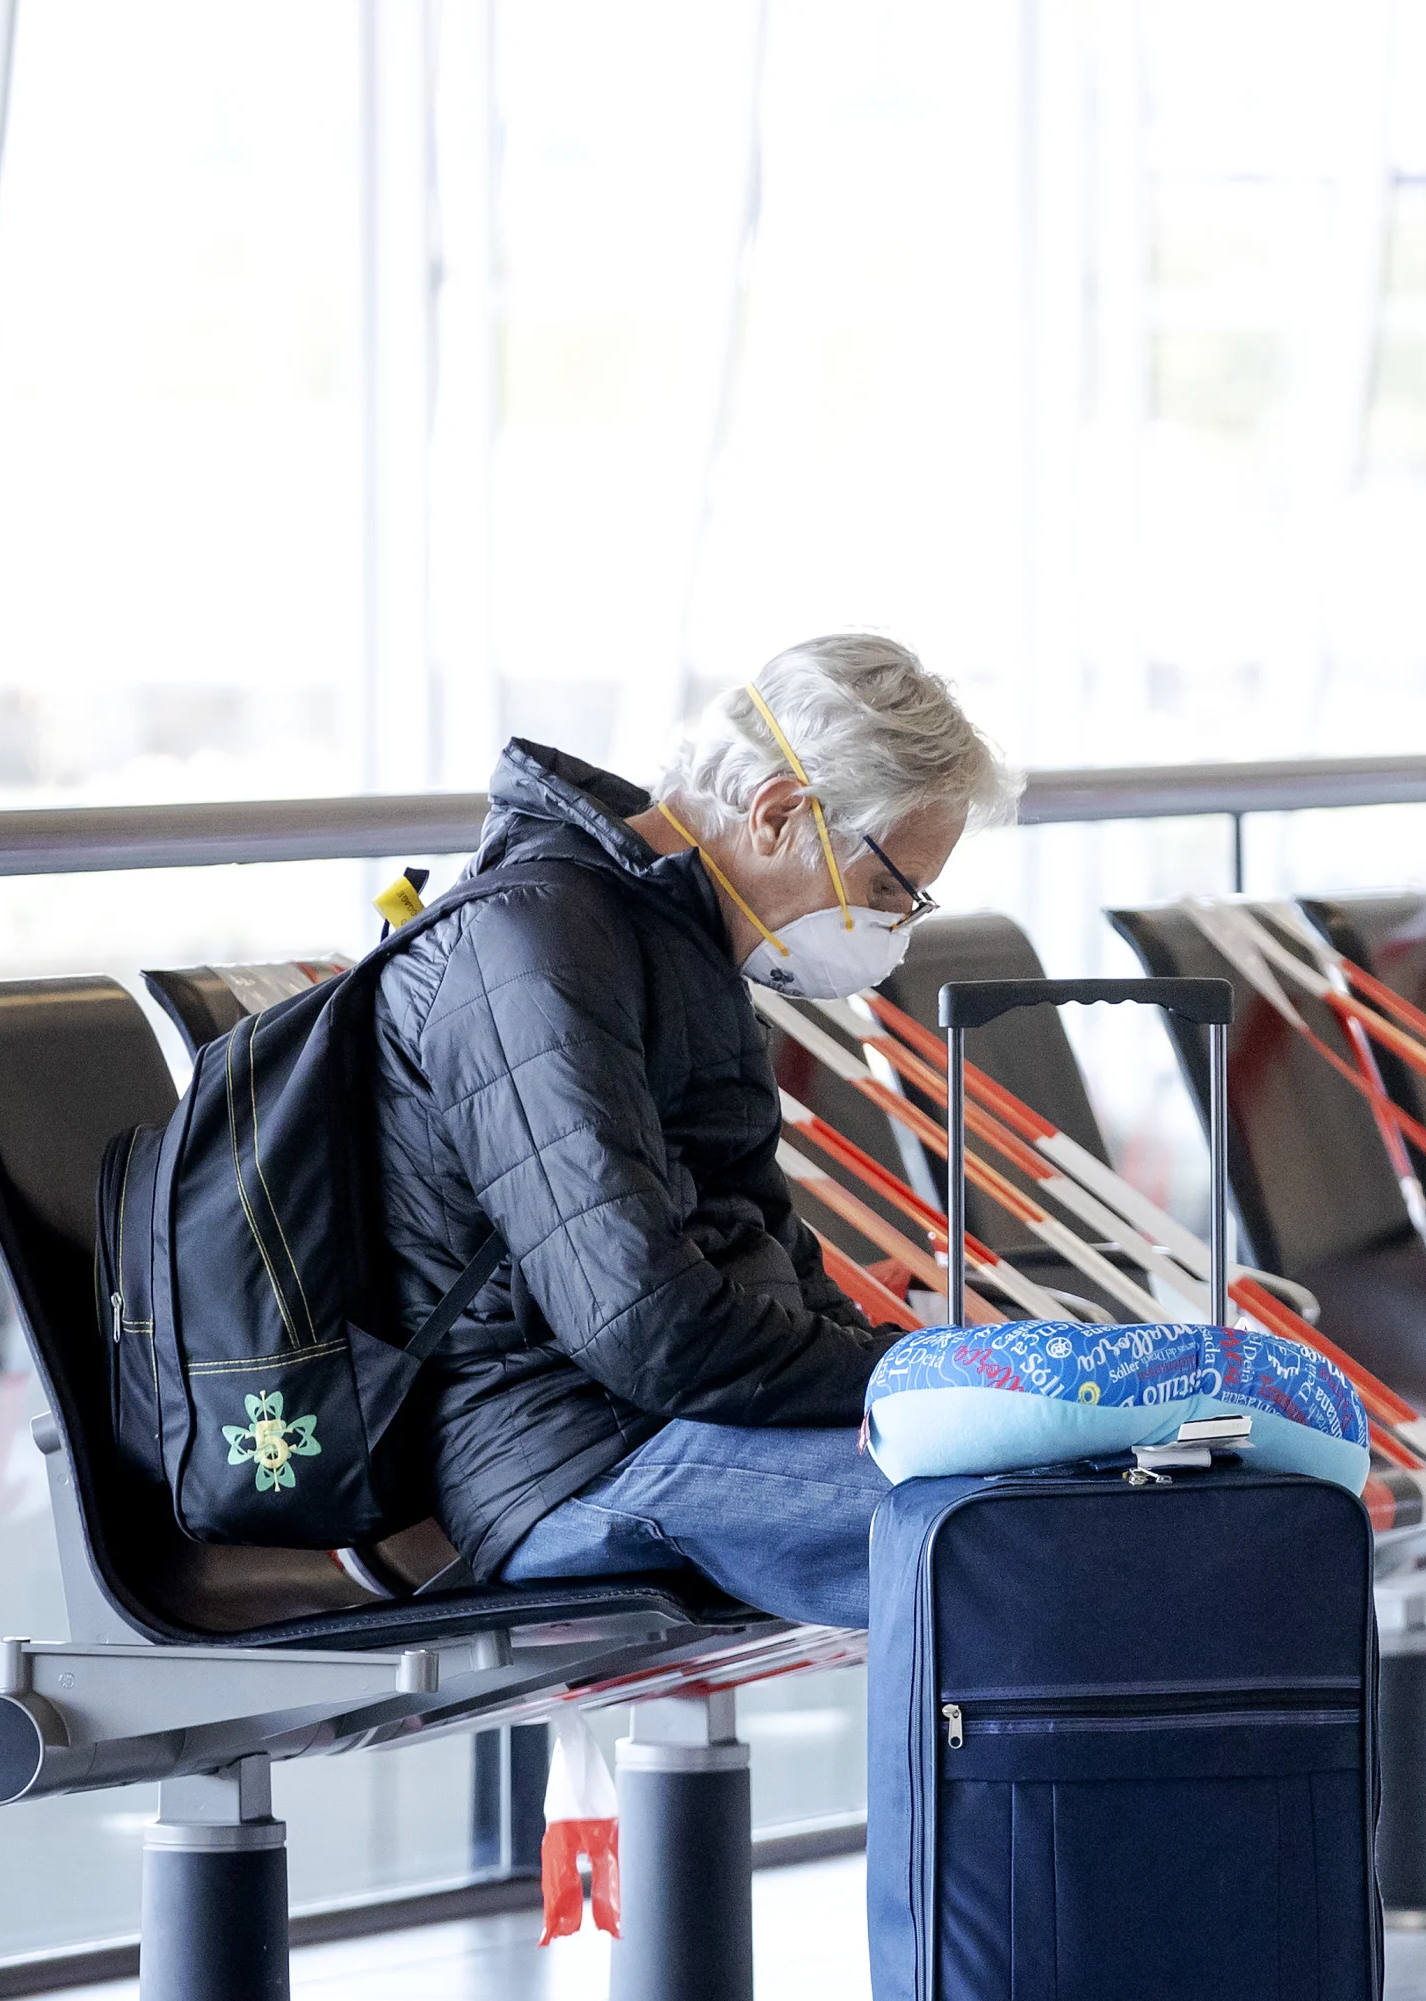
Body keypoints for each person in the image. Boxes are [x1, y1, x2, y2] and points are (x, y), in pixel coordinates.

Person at [373, 633, 1017, 1629]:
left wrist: (930, 1376)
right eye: (890, 889)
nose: (895, 928)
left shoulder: (673, 942)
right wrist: (916, 1378)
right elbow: (642, 1327)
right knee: (1033, 1530)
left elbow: (767, 1253)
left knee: (1097, 1488)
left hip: (677, 1424)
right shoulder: (537, 947)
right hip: (569, 1457)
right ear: (780, 812)